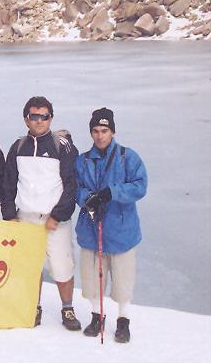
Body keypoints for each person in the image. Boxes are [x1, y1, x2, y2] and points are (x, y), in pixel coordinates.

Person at [2, 96, 81, 331]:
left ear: (51, 118)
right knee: (30, 266)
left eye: (44, 116)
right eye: (34, 116)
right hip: (26, 218)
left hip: (54, 220)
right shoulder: (18, 147)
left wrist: (58, 215)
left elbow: (71, 185)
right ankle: (33, 307)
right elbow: (8, 184)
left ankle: (67, 308)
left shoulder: (62, 146)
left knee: (62, 266)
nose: (39, 121)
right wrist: (10, 215)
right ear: (26, 119)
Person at [75, 107, 147, 343]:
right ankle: (97, 317)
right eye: (95, 131)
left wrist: (111, 193)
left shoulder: (128, 157)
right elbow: (75, 187)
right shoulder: (83, 160)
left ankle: (123, 321)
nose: (100, 136)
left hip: (120, 231)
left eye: (104, 131)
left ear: (112, 132)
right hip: (91, 230)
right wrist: (88, 198)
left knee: (123, 283)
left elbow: (140, 186)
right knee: (92, 280)